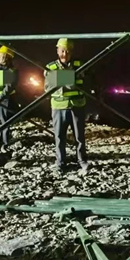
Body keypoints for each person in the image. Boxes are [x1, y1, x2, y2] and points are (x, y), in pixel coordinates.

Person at [44, 38, 89, 174]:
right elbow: (48, 88)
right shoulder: (50, 67)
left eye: (68, 51)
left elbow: (84, 83)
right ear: (57, 51)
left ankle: (82, 161)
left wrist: (61, 80)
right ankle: (60, 163)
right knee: (59, 137)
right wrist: (70, 79)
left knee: (79, 137)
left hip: (77, 105)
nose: (65, 53)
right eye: (62, 50)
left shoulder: (81, 64)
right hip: (58, 107)